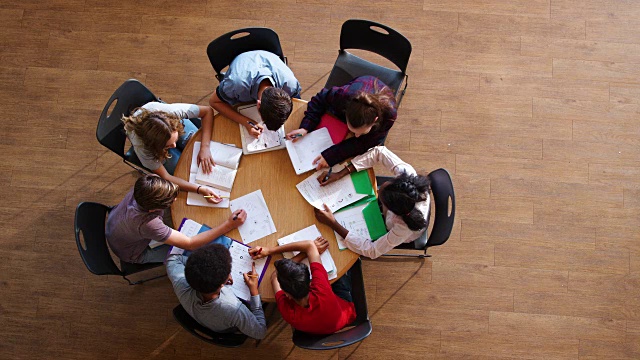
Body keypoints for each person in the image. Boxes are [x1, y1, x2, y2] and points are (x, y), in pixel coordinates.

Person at [314, 146, 431, 259]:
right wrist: (341, 173)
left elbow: (373, 251)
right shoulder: (408, 176)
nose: (378, 190)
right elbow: (379, 152)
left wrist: (333, 223)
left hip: (398, 230)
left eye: (381, 197)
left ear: (392, 211)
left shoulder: (403, 228)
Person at [105, 174, 247, 264]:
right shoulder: (148, 223)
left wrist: (200, 189)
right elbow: (190, 243)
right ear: (154, 210)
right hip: (134, 252)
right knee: (196, 255)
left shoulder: (146, 184)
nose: (176, 199)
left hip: (116, 225)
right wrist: (229, 224)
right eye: (172, 200)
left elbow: (167, 179)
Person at [286, 75, 397, 169]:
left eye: (361, 133)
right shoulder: (344, 95)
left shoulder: (389, 116)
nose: (356, 136)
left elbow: (366, 143)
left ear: (375, 120)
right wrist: (305, 127)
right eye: (352, 129)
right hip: (357, 88)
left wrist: (331, 156)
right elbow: (320, 99)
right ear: (345, 111)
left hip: (368, 85)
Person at [249, 238, 356, 335]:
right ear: (309, 281)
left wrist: (302, 254)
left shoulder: (288, 313)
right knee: (339, 266)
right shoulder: (321, 288)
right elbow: (310, 245)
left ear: (286, 293)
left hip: (318, 328)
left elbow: (274, 277)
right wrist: (270, 250)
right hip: (345, 316)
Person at [122, 101, 224, 204]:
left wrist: (204, 148)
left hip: (163, 120)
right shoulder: (143, 149)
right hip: (152, 146)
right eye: (168, 146)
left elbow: (207, 111)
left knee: (195, 143)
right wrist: (200, 189)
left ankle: (172, 139)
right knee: (183, 172)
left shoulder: (172, 112)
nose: (174, 146)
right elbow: (166, 177)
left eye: (174, 140)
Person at [166, 244, 267, 339]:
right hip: (225, 328)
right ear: (222, 284)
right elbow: (260, 332)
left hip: (203, 318)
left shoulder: (181, 283)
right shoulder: (234, 309)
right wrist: (254, 291)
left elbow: (172, 259)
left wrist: (198, 268)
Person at [209, 50, 301, 136]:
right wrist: (246, 121)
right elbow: (213, 102)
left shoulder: (290, 85)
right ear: (258, 104)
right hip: (243, 61)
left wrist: (300, 132)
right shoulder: (236, 86)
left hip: (266, 57)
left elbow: (297, 101)